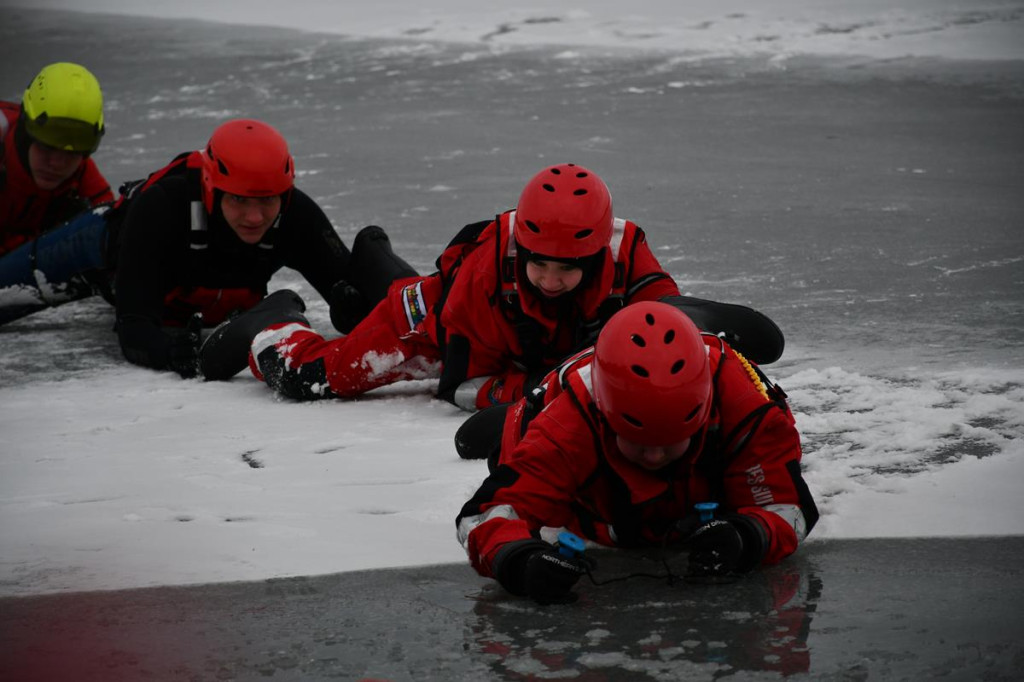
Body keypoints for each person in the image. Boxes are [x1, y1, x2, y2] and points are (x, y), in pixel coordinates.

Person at [203, 163, 682, 408]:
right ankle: (275, 324)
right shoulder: (483, 281)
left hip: (510, 342)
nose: (551, 282)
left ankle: (375, 260)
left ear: (596, 253)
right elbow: (460, 388)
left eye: (568, 269)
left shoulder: (624, 252)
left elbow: (674, 322)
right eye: (539, 266)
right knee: (310, 381)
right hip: (433, 325)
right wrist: (543, 388)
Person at [454, 301, 818, 605]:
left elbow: (787, 507)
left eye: (671, 441)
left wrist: (746, 536)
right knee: (492, 441)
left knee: (769, 342)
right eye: (639, 443)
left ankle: (686, 317)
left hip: (705, 370)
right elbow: (484, 514)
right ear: (607, 419)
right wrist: (519, 562)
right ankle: (671, 314)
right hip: (557, 400)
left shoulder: (745, 410)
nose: (655, 457)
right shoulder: (568, 425)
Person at [0, 117, 416, 378]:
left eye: (267, 201)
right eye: (239, 200)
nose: (254, 216)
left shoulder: (295, 213)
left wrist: (352, 303)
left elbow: (347, 294)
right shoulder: (163, 208)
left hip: (189, 289)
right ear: (211, 187)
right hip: (100, 252)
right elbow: (136, 331)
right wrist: (175, 352)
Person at [1, 62, 111, 255]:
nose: (57, 164)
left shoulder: (81, 173)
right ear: (26, 133)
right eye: (47, 147)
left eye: (72, 152)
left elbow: (113, 233)